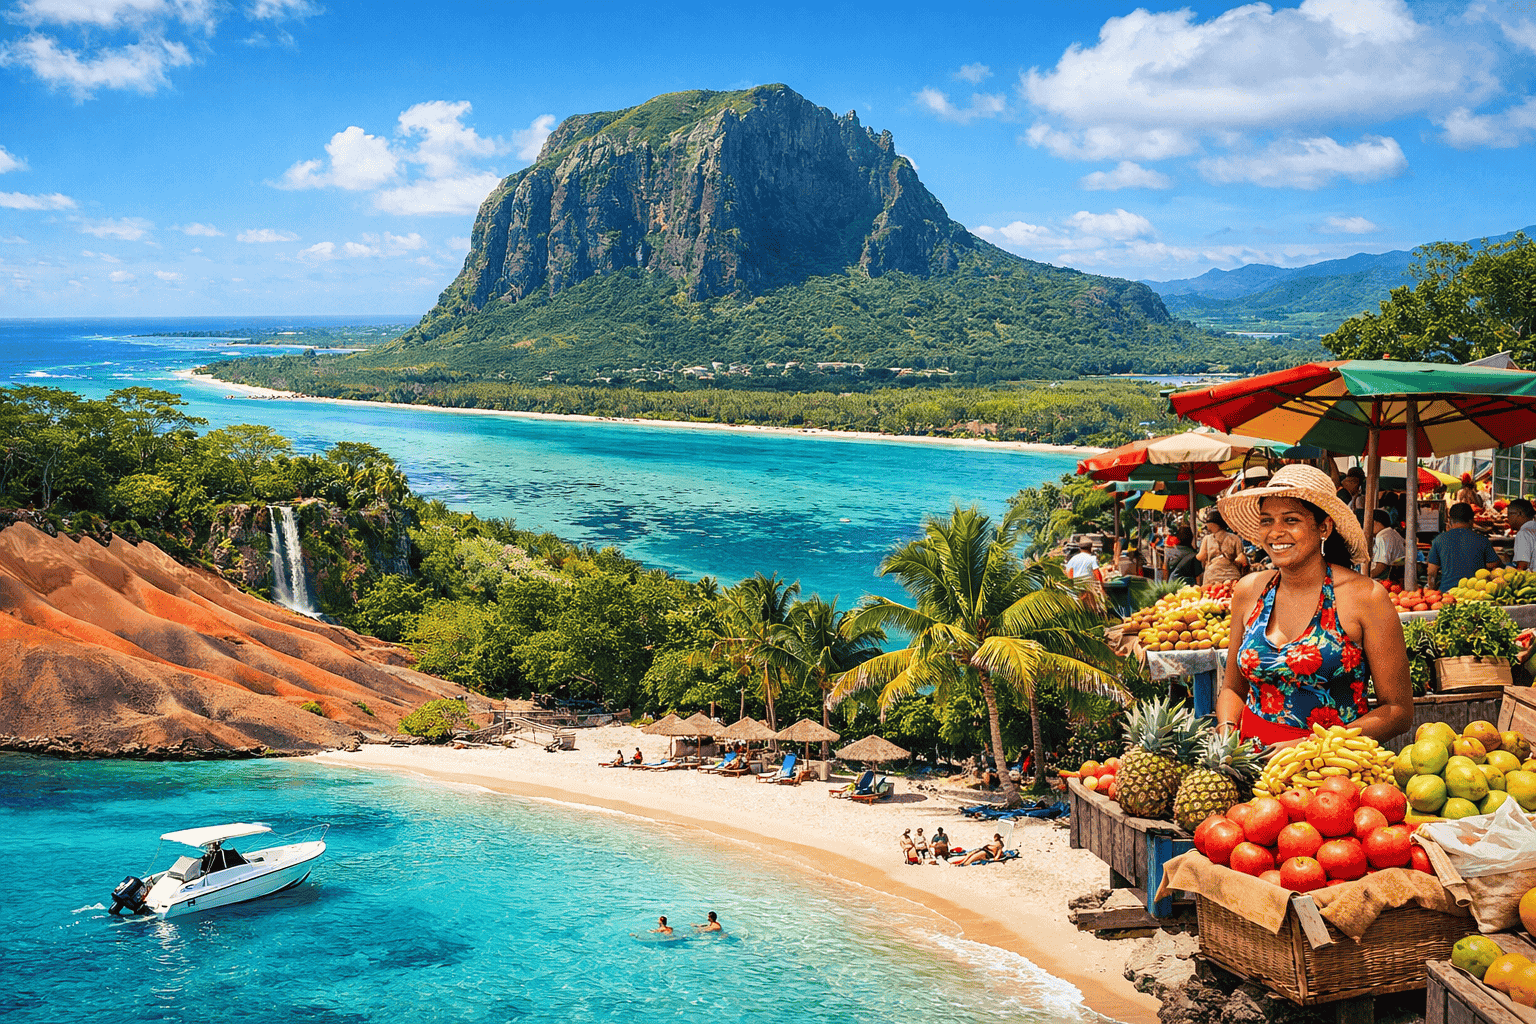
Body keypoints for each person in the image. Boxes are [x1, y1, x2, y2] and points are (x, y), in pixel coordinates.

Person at [1213, 464, 1413, 746]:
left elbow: (1398, 712)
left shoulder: (1366, 597)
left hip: (1333, 770)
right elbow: (1233, 688)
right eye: (1267, 521)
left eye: (1291, 520)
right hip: (1253, 764)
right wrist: (1226, 727)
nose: (1276, 533)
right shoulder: (1249, 591)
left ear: (1324, 527)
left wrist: (1310, 747)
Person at [1427, 502, 1501, 590]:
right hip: (1474, 593)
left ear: (1450, 520)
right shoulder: (1482, 540)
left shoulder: (1439, 540)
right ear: (1471, 520)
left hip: (1447, 593)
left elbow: (1432, 572)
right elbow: (1493, 565)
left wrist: (1431, 589)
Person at [1197, 511, 1248, 584]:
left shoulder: (1207, 538)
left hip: (1212, 577)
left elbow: (1201, 556)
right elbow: (1241, 558)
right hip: (1232, 576)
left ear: (1213, 524)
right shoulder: (1235, 538)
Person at [1368, 509, 1405, 582]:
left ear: (1375, 523)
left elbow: (1381, 565)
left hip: (1386, 580)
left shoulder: (1382, 537)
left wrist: (1366, 577)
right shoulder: (1393, 533)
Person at [1509, 499, 1536, 571]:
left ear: (1520, 514)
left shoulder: (1523, 533)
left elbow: (1522, 566)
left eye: (1509, 514)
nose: (1508, 518)